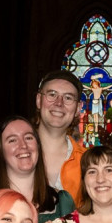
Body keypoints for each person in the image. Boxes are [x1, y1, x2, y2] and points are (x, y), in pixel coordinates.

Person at [0, 116, 76, 223]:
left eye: (28, 138)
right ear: (0, 151)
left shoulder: (62, 203)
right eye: (12, 140)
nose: (23, 146)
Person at [34, 69, 86, 199]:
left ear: (78, 108)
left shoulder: (87, 162)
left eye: (68, 98)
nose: (59, 103)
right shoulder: (13, 152)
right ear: (39, 100)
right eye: (52, 95)